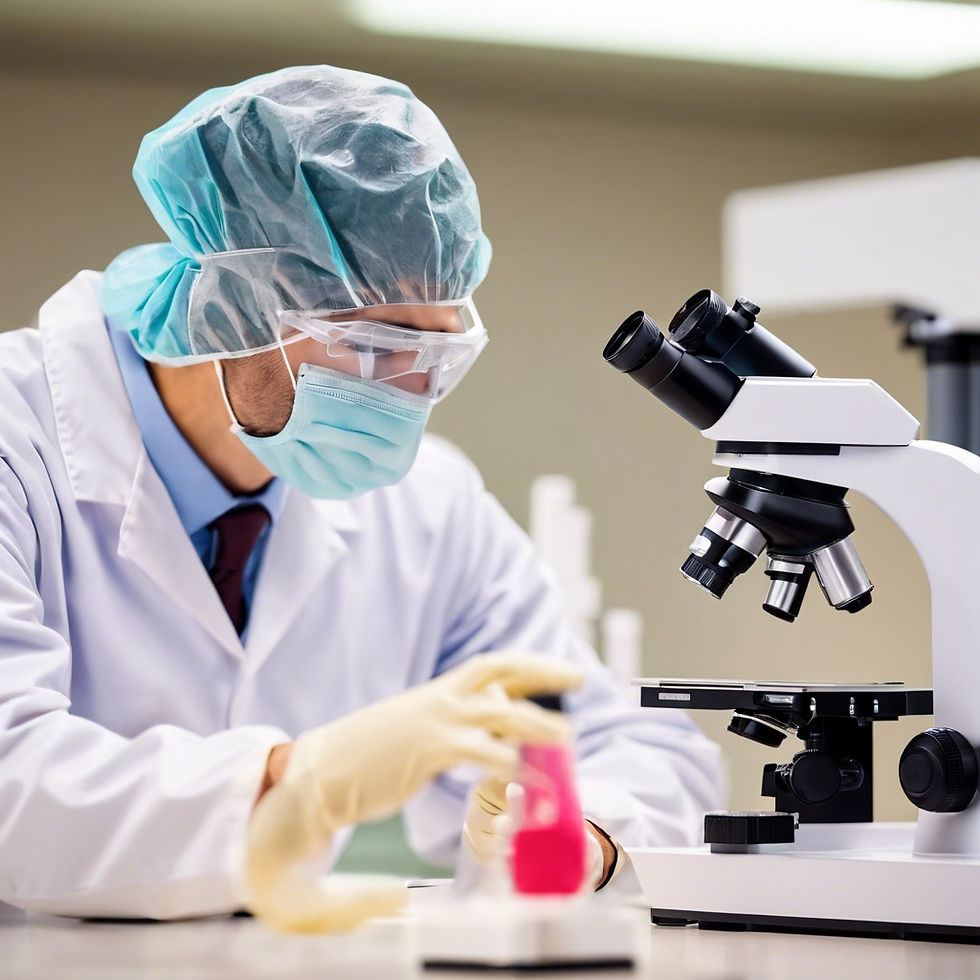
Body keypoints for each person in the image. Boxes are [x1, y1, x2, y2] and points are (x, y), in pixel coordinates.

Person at [0, 65, 722, 923]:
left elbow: (631, 742)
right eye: (374, 348)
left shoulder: (431, 510)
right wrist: (298, 784)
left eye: (438, 353)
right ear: (231, 308)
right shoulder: (20, 442)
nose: (409, 393)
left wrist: (580, 827)